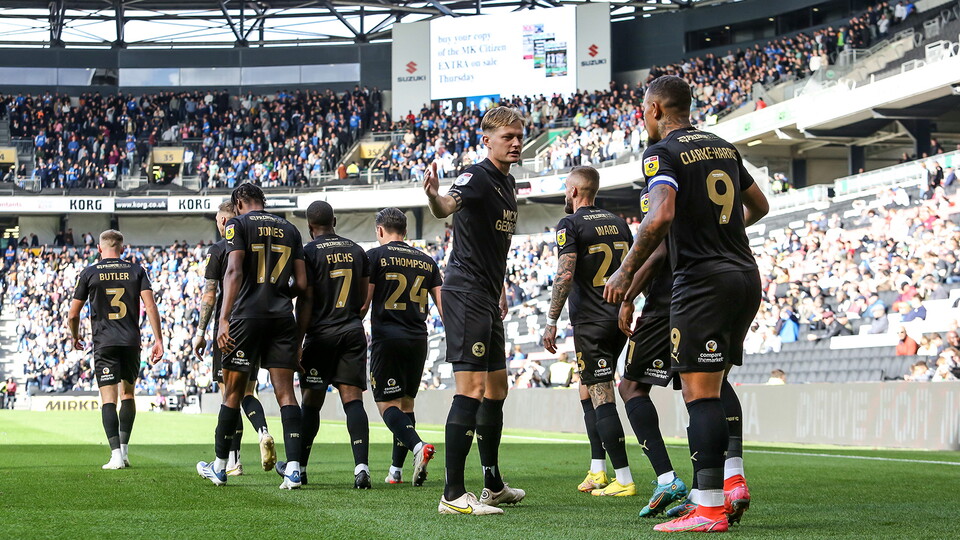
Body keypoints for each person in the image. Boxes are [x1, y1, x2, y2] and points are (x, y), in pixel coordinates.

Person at [603, 75, 768, 532]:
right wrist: (722, 236)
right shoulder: (723, 146)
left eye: (643, 109)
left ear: (655, 109)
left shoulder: (663, 152)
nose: (643, 117)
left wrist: (623, 272)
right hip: (744, 275)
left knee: (699, 394)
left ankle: (709, 508)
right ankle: (724, 487)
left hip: (702, 283)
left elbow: (661, 215)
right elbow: (761, 206)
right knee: (713, 385)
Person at [423, 106, 525, 515]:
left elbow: (492, 245)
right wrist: (432, 196)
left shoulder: (508, 183)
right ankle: (452, 494)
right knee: (471, 390)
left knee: (497, 389)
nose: (516, 142)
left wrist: (499, 288)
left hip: (487, 293)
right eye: (507, 137)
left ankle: (492, 483)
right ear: (487, 140)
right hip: (464, 292)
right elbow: (447, 205)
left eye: (519, 136)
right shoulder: (476, 175)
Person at [199, 183, 307, 489]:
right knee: (286, 393)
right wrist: (276, 292)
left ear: (238, 203)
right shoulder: (290, 229)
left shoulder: (237, 223)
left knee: (233, 392)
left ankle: (220, 467)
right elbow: (301, 284)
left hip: (246, 317)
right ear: (263, 201)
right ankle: (295, 469)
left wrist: (223, 319)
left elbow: (233, 271)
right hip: (282, 317)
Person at [541, 166, 640, 498]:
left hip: (591, 322)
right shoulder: (620, 223)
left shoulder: (569, 224)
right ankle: (598, 469)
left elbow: (565, 275)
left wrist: (552, 319)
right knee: (586, 388)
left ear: (573, 192)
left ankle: (623, 477)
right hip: (618, 319)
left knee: (601, 393)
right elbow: (634, 268)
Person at [615, 187, 691, 517]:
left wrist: (629, 294)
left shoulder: (661, 191)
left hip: (666, 304)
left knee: (629, 387)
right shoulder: (697, 196)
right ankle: (712, 490)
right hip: (705, 295)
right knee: (703, 389)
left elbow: (658, 251)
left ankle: (666, 477)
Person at [289, 200, 372, 489]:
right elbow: (363, 300)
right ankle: (361, 468)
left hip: (320, 335)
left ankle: (299, 466)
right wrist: (349, 318)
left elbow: (306, 300)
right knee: (353, 400)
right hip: (351, 331)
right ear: (334, 221)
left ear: (310, 227)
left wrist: (298, 341)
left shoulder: (308, 252)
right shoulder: (357, 250)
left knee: (311, 402)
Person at [67, 229, 164, 469]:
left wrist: (75, 334)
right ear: (122, 248)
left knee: (108, 400)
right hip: (131, 341)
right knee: (128, 395)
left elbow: (72, 314)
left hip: (105, 342)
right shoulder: (136, 270)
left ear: (99, 248)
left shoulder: (89, 272)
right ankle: (125, 451)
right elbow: (150, 306)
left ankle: (115, 456)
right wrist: (159, 340)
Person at [193, 200, 275, 477]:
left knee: (229, 395)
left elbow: (210, 294)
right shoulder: (254, 246)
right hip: (260, 322)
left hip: (230, 327)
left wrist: (201, 332)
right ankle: (263, 431)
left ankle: (232, 461)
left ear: (222, 222)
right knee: (248, 392)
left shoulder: (218, 250)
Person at [363, 207, 443, 486]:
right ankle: (396, 471)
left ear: (380, 231)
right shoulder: (427, 261)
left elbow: (364, 303)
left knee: (386, 404)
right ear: (406, 231)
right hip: (419, 339)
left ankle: (418, 446)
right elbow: (443, 308)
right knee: (406, 404)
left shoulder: (374, 257)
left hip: (388, 337)